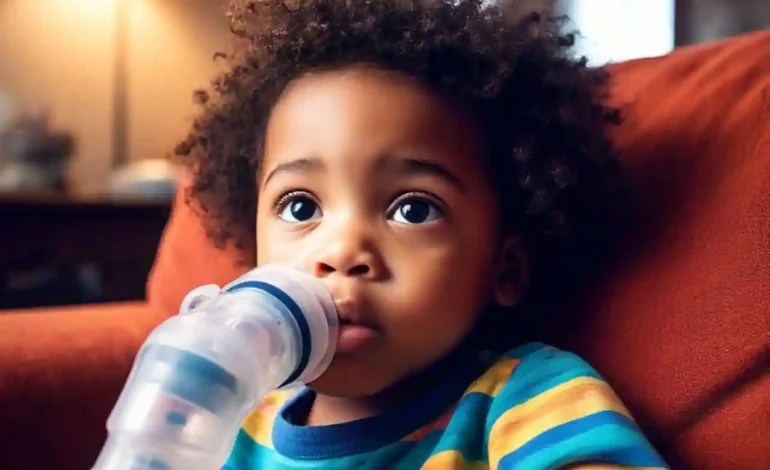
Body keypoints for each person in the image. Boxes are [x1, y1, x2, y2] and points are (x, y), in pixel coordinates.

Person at [174, 1, 668, 468]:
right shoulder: (239, 425)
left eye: (412, 209)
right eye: (300, 206)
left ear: (506, 268)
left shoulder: (527, 399)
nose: (342, 251)